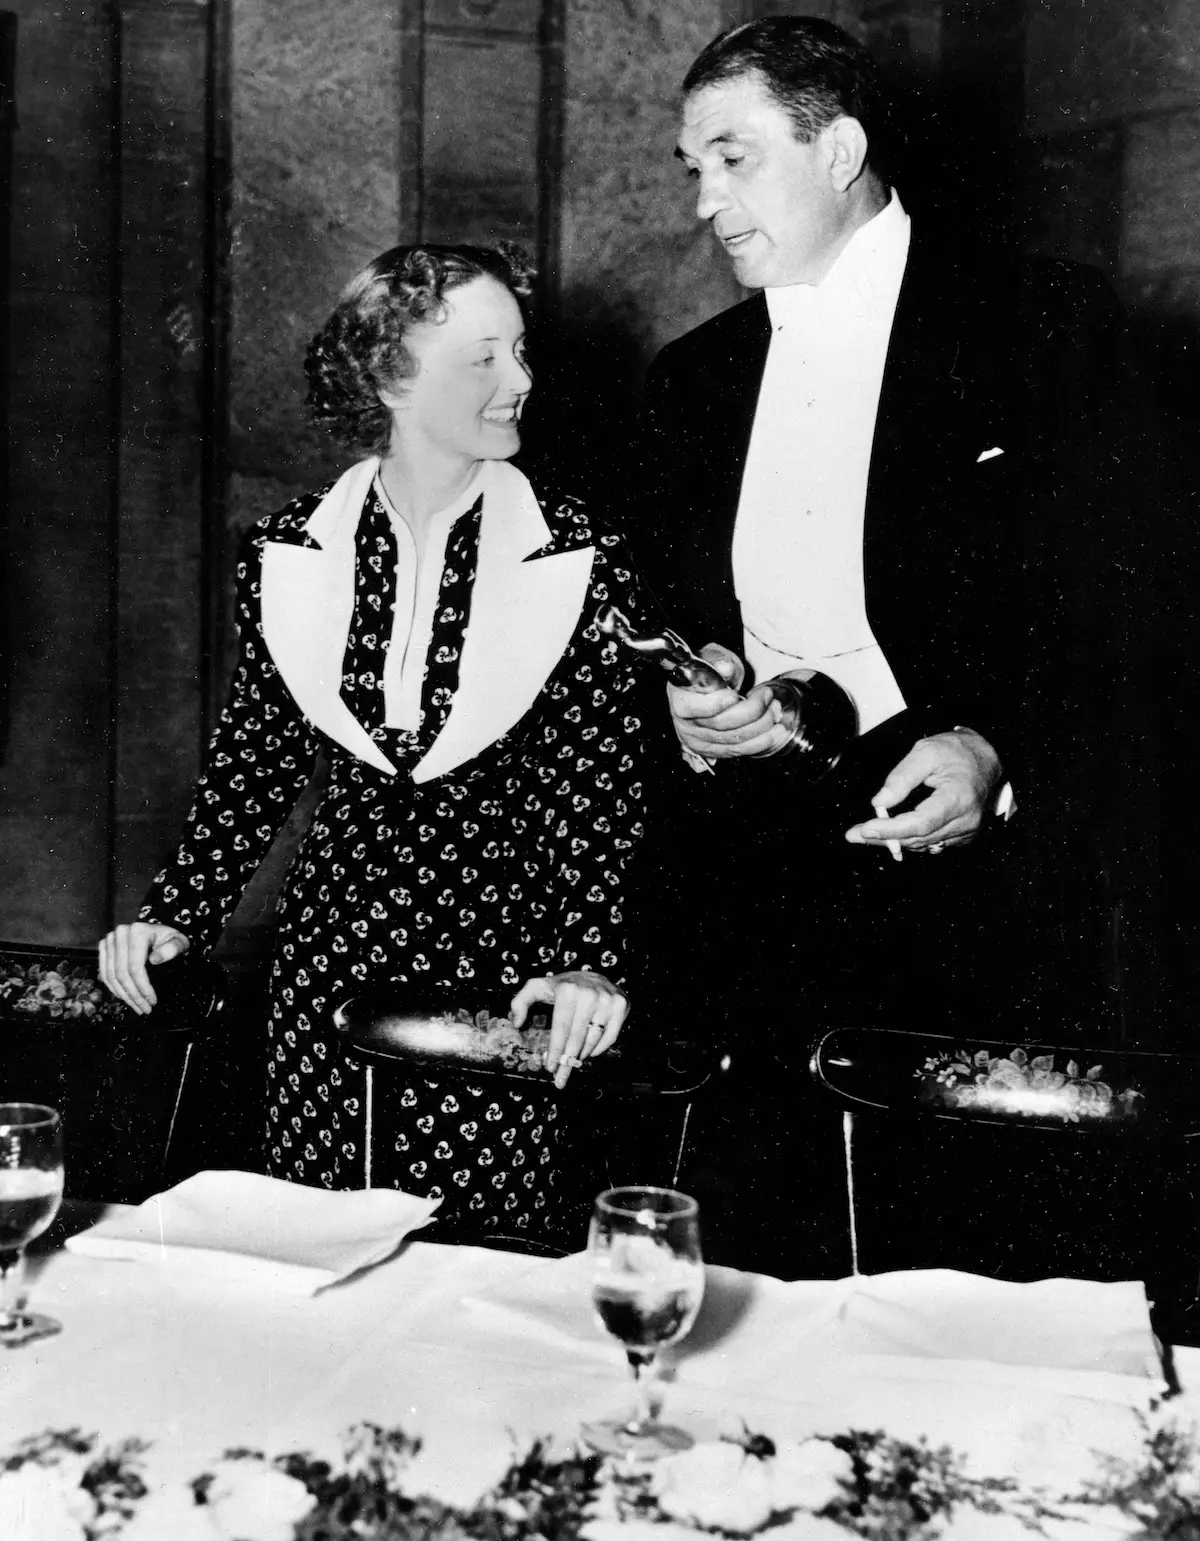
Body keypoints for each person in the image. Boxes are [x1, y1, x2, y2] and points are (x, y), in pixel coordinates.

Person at [623, 17, 1171, 1281]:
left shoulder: (1046, 323)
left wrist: (998, 746)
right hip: (752, 915)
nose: (704, 203)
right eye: (688, 166)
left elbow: (1137, 615)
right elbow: (692, 631)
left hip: (982, 917)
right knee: (755, 1294)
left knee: (966, 1301)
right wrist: (704, 716)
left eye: (732, 159)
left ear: (841, 150)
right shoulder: (688, 383)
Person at [98, 243, 651, 1239]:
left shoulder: (580, 553)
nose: (520, 380)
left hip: (504, 980)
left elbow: (595, 782)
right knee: (321, 1256)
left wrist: (586, 960)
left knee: (478, 1279)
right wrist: (178, 911)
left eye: (521, 352)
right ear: (393, 373)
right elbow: (256, 755)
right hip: (327, 966)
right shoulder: (289, 549)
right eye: (484, 357)